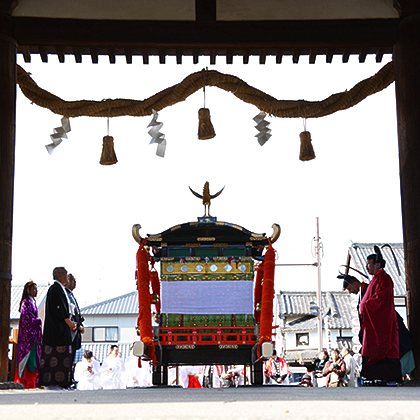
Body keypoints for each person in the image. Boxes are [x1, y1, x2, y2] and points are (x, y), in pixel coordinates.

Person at [359, 249, 402, 383]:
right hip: (372, 324)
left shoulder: (384, 279)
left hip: (382, 323)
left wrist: (365, 306)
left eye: (369, 263)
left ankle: (386, 378)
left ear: (378, 264)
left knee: (384, 347)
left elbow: (381, 299)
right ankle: (373, 377)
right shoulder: (375, 279)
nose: (367, 266)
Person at [38, 267, 77, 389]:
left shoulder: (61, 289)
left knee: (62, 359)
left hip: (61, 330)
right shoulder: (55, 289)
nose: (68, 278)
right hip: (56, 331)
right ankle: (53, 384)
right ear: (59, 275)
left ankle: (61, 383)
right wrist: (68, 321)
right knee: (53, 358)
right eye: (66, 275)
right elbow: (58, 308)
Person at [14, 281, 43, 388]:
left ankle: (32, 383)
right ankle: (26, 383)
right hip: (28, 337)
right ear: (28, 290)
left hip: (33, 335)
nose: (36, 291)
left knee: (33, 360)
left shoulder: (32, 302)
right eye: (34, 289)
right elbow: (27, 320)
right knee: (29, 359)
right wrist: (38, 321)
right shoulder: (25, 303)